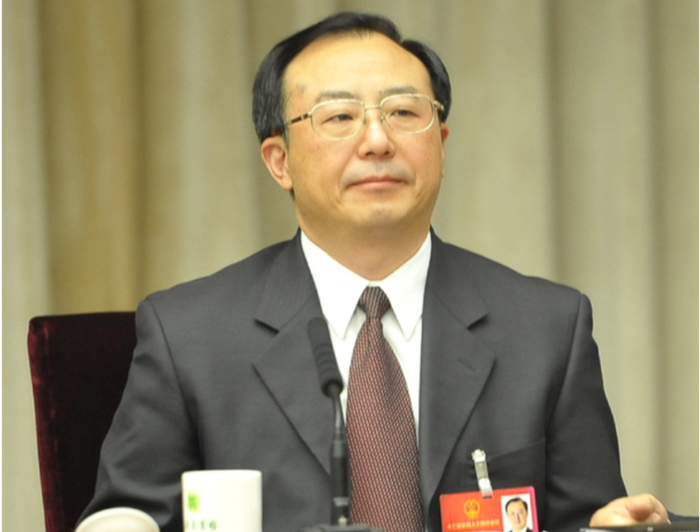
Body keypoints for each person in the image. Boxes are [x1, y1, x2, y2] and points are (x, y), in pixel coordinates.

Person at [80, 12, 674, 532]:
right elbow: (128, 515)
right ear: (280, 161)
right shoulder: (190, 336)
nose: (377, 140)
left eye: (403, 112)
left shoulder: (546, 329)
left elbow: (587, 519)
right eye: (339, 116)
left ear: (441, 143)